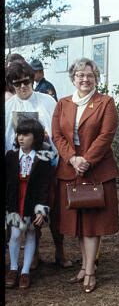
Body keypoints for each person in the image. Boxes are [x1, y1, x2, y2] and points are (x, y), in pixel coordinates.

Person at [52, 57, 119, 293]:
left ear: (96, 78)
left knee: (92, 222)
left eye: (90, 75)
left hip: (96, 169)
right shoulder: (62, 104)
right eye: (80, 75)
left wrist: (87, 161)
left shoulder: (106, 102)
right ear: (73, 78)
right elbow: (57, 136)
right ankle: (84, 266)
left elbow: (106, 135)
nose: (85, 79)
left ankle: (90, 270)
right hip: (71, 168)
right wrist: (72, 158)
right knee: (79, 221)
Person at [4, 60, 69, 268]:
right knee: (26, 208)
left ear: (32, 80)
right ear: (11, 85)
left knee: (53, 207)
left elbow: (58, 132)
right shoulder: (9, 106)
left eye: (26, 82)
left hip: (47, 165)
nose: (23, 87)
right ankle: (34, 254)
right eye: (17, 84)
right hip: (21, 168)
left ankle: (60, 250)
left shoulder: (47, 101)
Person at [5, 118, 53, 290]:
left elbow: (45, 185)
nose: (21, 138)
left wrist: (41, 209)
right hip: (15, 200)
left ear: (36, 137)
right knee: (16, 234)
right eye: (19, 134)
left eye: (26, 134)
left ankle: (25, 271)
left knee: (32, 234)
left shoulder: (43, 157)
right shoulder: (10, 156)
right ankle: (13, 268)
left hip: (32, 201)